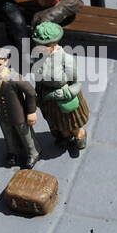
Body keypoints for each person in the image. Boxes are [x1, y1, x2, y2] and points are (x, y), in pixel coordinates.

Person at [0, 45, 40, 169]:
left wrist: (31, 111)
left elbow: (31, 92)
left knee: (25, 134)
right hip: (1, 113)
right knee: (8, 134)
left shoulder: (14, 78)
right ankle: (13, 152)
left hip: (18, 113)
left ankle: (33, 153)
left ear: (6, 61)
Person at [30, 21, 89, 153]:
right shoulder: (38, 58)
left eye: (41, 45)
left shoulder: (66, 59)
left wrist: (67, 92)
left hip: (65, 99)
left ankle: (79, 134)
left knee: (72, 124)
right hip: (49, 100)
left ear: (52, 44)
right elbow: (38, 80)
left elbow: (77, 82)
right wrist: (38, 96)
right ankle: (65, 136)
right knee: (58, 124)